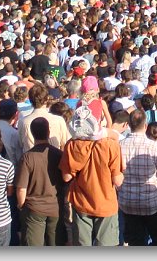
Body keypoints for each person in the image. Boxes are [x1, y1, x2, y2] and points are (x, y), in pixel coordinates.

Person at [60, 104, 124, 246]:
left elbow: (66, 177)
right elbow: (118, 181)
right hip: (106, 203)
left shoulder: (71, 145)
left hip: (81, 202)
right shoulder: (110, 145)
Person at [118, 108, 157, 245]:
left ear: (129, 124)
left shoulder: (118, 146)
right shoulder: (154, 147)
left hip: (127, 202)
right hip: (152, 202)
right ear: (145, 126)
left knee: (136, 241)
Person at [16, 116, 64, 246]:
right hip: (55, 207)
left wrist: (21, 206)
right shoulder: (59, 154)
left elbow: (21, 189)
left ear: (32, 133)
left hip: (34, 209)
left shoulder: (27, 157)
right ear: (48, 132)